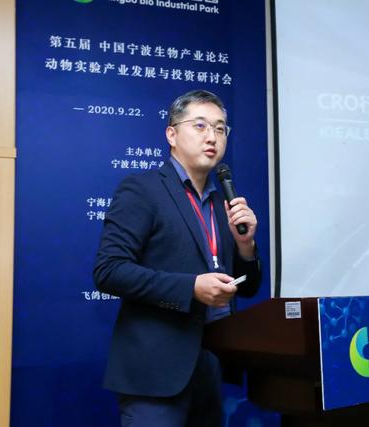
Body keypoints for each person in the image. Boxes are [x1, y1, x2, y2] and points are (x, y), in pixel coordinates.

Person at [93, 89, 261, 427]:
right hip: (155, 372)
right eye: (200, 125)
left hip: (210, 366)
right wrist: (191, 288)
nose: (212, 136)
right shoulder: (142, 189)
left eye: (220, 128)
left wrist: (246, 246)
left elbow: (248, 288)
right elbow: (109, 271)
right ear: (171, 134)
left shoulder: (222, 204)